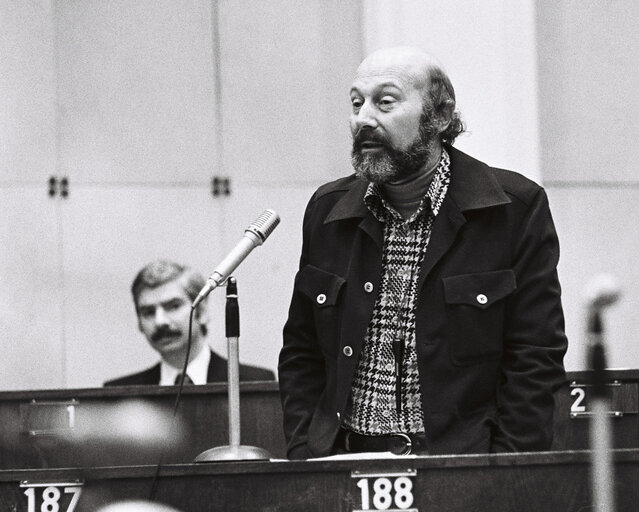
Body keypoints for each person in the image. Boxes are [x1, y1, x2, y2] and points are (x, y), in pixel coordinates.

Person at [279, 47, 567, 459]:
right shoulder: (328, 210)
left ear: (440, 116)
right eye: (356, 103)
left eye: (385, 102)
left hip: (463, 466)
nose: (364, 119)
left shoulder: (512, 208)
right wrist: (307, 450)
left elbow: (534, 359)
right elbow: (301, 351)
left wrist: (507, 471)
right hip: (342, 464)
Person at [105, 260, 274, 386]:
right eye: (148, 312)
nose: (160, 321)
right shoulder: (120, 394)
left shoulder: (254, 382)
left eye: (173, 306)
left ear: (202, 312)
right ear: (139, 323)